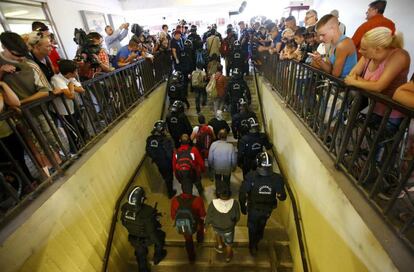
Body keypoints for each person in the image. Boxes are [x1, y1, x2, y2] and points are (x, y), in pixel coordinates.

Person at [344, 27, 410, 133]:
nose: (360, 51)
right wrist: (369, 84)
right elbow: (352, 75)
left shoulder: (399, 56)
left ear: (378, 49)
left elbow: (379, 87)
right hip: (372, 108)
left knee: (380, 145)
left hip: (391, 114)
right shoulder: (368, 55)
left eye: (364, 49)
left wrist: (356, 82)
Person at [239, 152, 286, 255]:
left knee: (252, 227)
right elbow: (283, 197)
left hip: (254, 209)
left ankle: (253, 246)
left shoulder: (251, 176)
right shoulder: (277, 178)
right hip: (268, 210)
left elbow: (242, 193)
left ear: (257, 163)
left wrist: (243, 207)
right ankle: (259, 236)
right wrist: (279, 194)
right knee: (262, 223)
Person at [121, 186, 167, 272]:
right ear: (141, 199)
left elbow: (124, 223)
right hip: (147, 238)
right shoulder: (147, 212)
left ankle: (143, 269)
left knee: (140, 254)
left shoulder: (124, 209)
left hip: (134, 239)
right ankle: (157, 257)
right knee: (161, 236)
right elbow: (152, 232)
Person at [50, 59, 85, 153]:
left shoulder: (70, 78)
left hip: (70, 109)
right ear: (69, 73)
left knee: (78, 130)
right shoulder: (56, 79)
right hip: (62, 111)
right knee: (73, 132)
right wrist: (71, 87)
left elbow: (82, 89)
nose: (77, 73)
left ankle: (79, 149)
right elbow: (71, 96)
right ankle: (75, 152)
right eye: (75, 71)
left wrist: (70, 87)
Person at [170, 180, 206, 262]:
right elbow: (202, 214)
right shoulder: (197, 200)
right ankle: (200, 239)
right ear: (192, 189)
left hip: (185, 224)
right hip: (196, 223)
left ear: (182, 189)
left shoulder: (175, 200)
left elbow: (173, 216)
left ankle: (191, 257)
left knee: (188, 240)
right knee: (201, 224)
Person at [313, 14, 357, 79]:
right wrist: (320, 61)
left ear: (333, 29)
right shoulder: (332, 42)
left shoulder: (343, 44)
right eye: (319, 35)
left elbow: (335, 74)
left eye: (323, 35)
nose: (321, 39)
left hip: (344, 86)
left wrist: (319, 65)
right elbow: (329, 68)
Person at [205, 187, 240, 262]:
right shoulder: (234, 203)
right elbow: (237, 217)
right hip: (228, 229)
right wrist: (233, 223)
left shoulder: (213, 203)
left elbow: (208, 216)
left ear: (218, 194)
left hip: (216, 227)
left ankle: (220, 245)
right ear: (229, 194)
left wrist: (206, 226)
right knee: (229, 243)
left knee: (218, 233)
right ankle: (228, 257)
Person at [146, 120, 176, 198]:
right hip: (166, 162)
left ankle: (165, 179)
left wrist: (155, 157)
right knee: (169, 177)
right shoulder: (165, 140)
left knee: (163, 174)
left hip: (158, 162)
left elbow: (148, 150)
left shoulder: (149, 139)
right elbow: (170, 154)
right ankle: (170, 193)